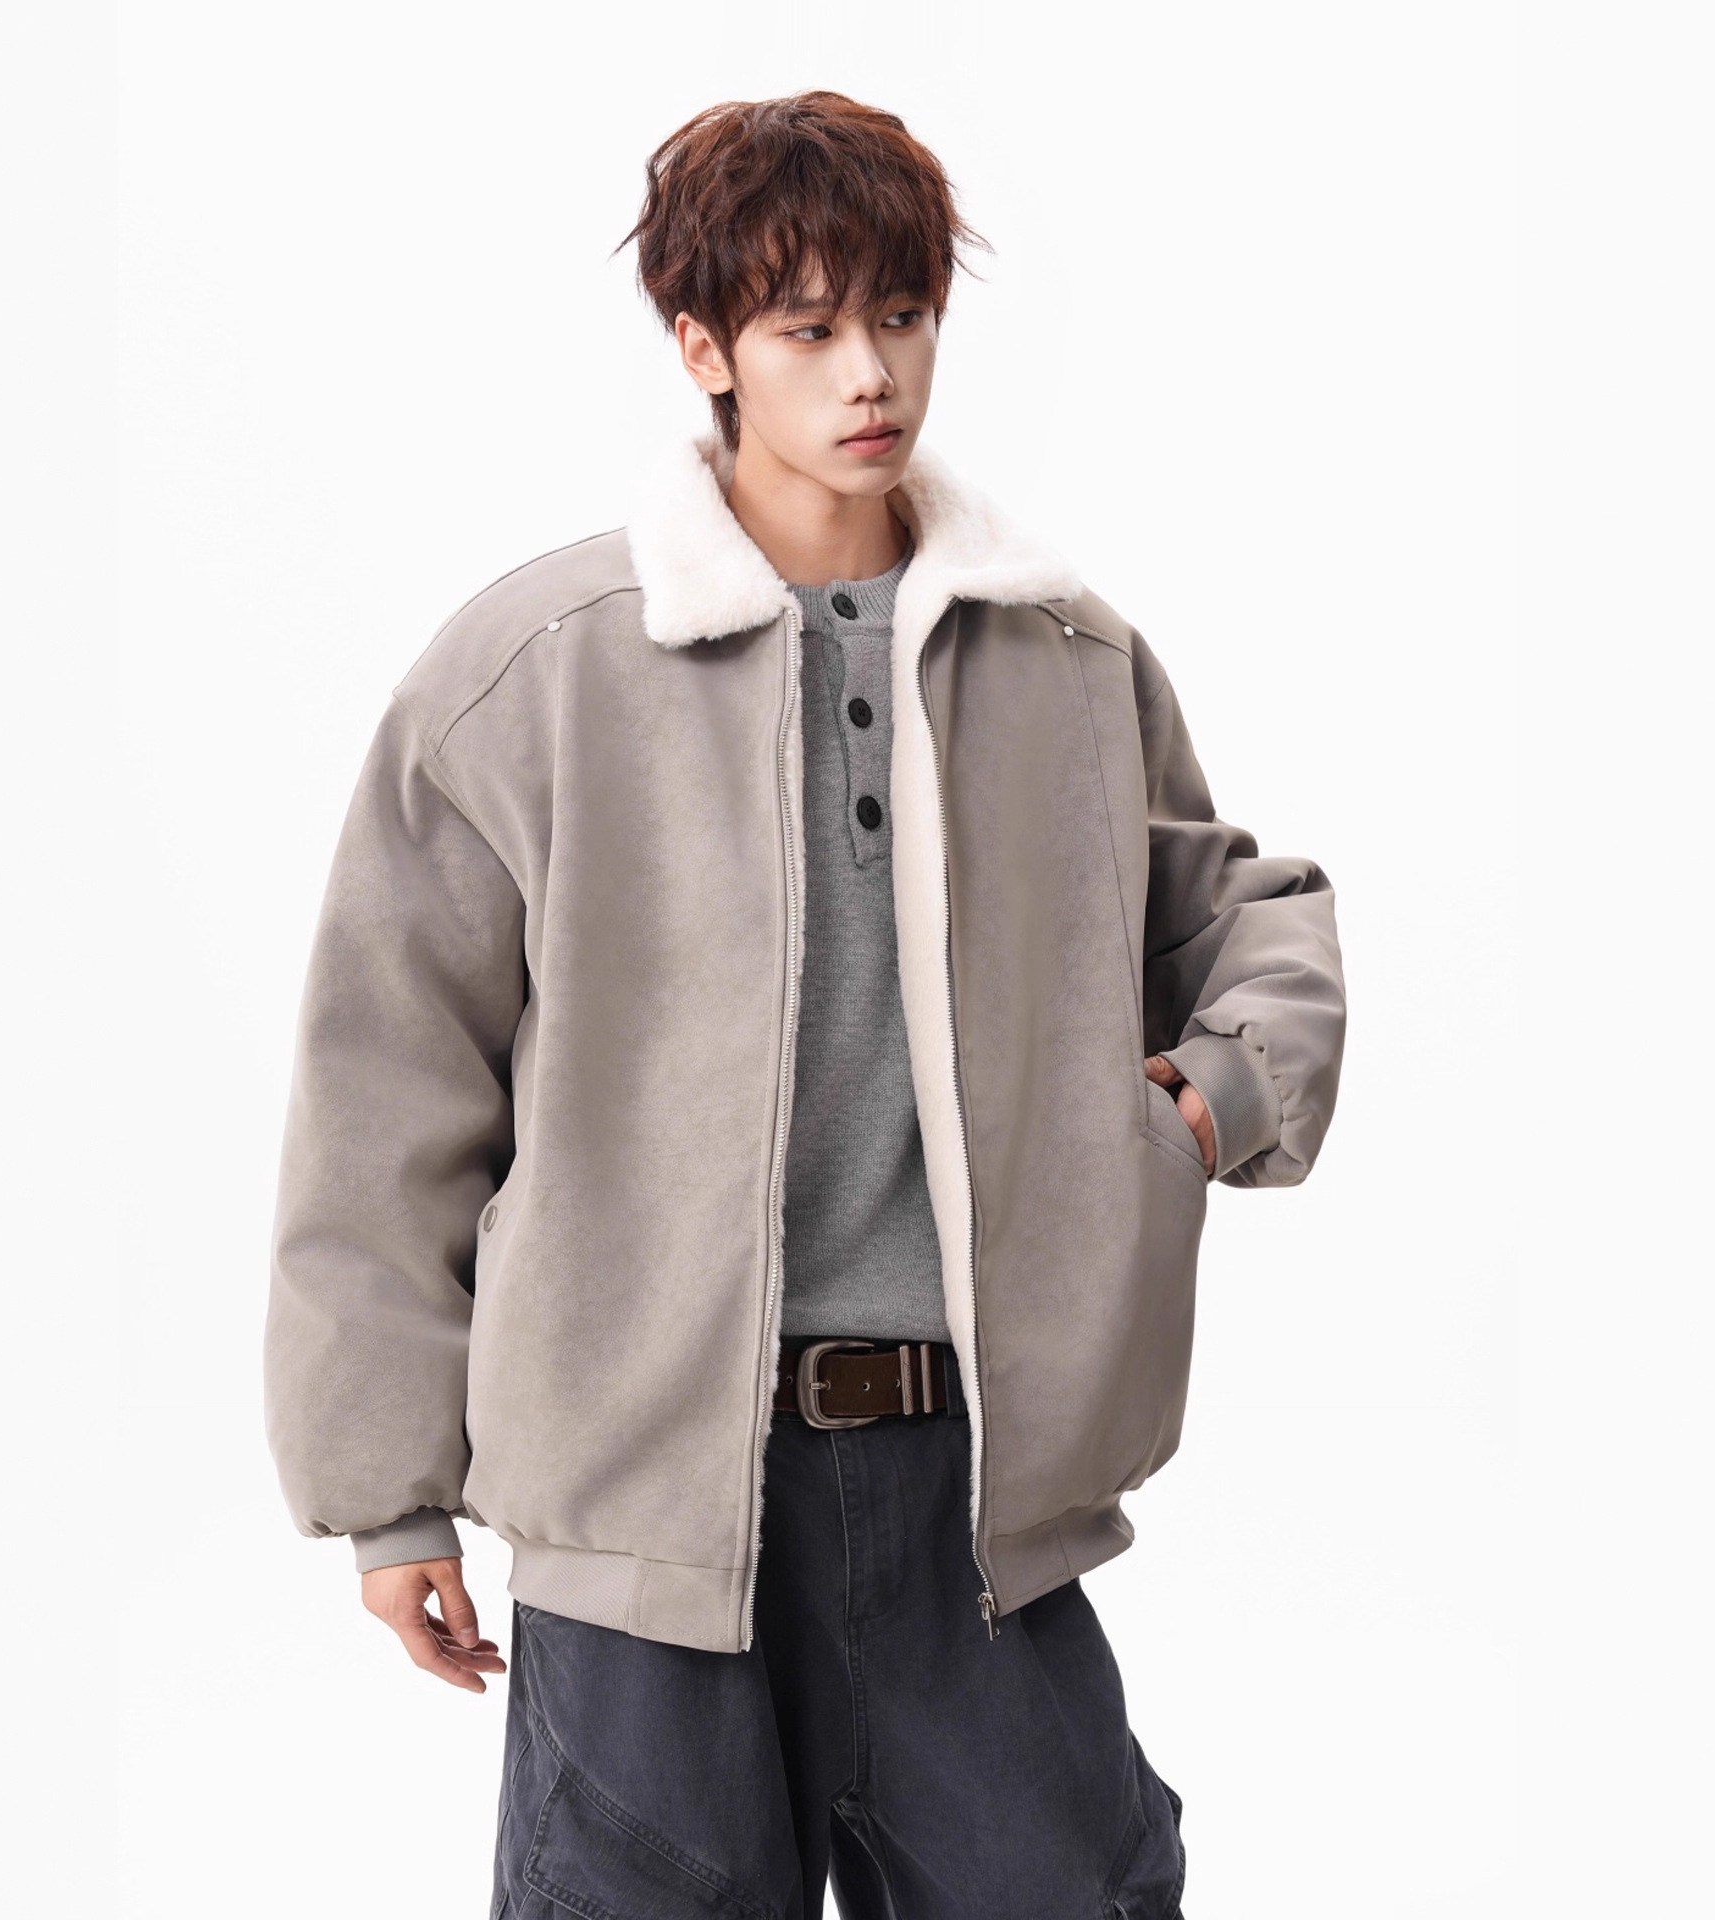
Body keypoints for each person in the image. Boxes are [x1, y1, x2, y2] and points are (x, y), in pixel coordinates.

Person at [264, 89, 1345, 1920]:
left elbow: (1249, 917)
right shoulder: (537, 674)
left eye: (903, 316)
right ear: (703, 348)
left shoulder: (1059, 656)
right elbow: (387, 1091)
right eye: (809, 328)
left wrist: (1208, 1103)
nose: (871, 374)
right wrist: (387, 1495)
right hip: (646, 1507)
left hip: (970, 1501)